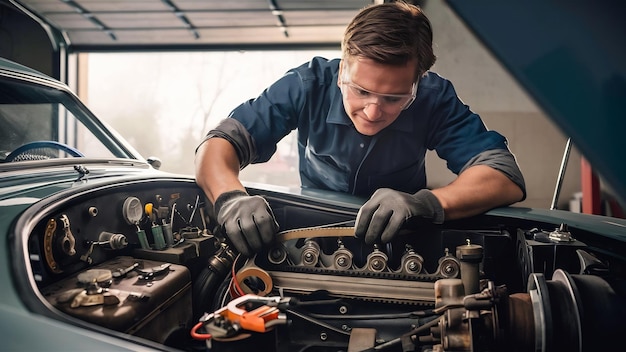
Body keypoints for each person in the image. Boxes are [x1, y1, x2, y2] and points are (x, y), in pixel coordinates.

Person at [195, 1, 525, 257]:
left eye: (394, 98)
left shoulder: (434, 98)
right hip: (309, 240)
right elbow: (221, 143)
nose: (372, 110)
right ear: (342, 70)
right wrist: (230, 197)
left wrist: (423, 204)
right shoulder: (306, 85)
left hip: (403, 242)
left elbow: (502, 176)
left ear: (417, 83)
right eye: (360, 90)